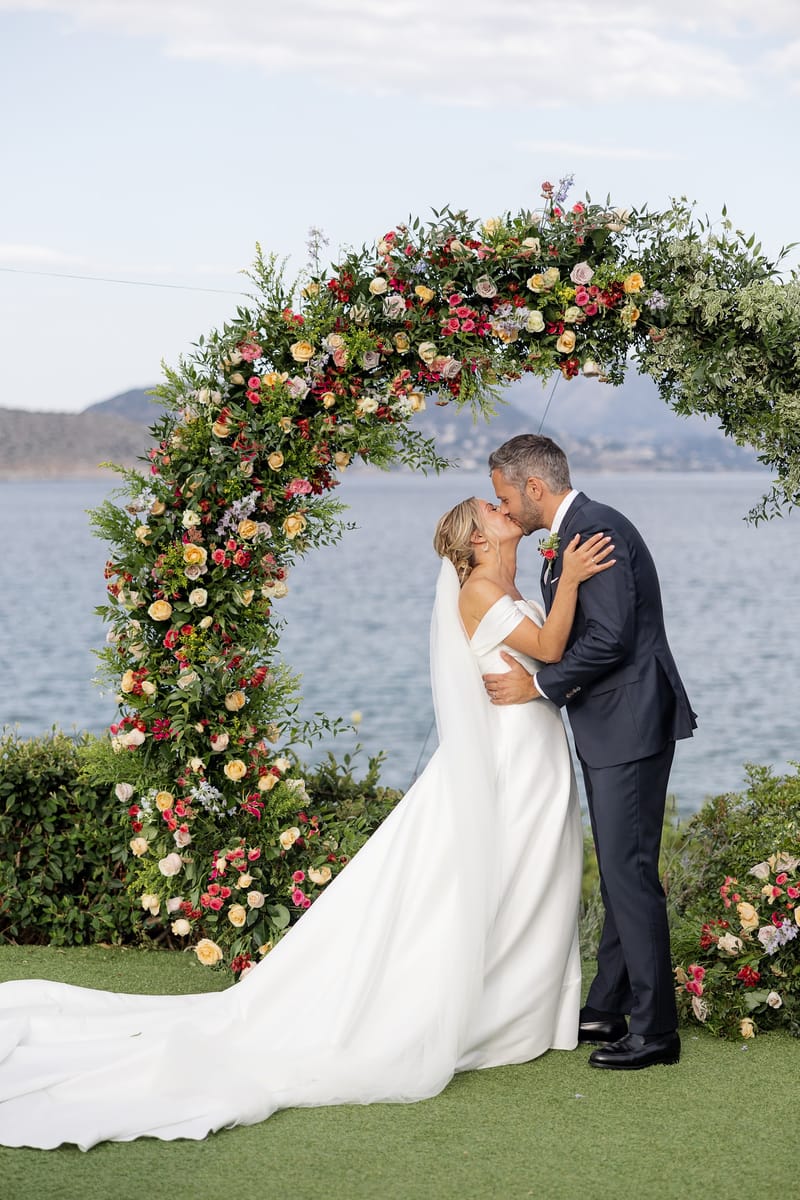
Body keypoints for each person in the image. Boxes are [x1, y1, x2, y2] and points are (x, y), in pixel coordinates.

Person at [0, 498, 612, 1150]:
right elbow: (550, 647)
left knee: (528, 878)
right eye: (491, 507)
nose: (502, 508)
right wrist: (573, 580)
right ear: (478, 538)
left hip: (532, 753)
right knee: (488, 878)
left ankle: (522, 1008)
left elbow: (550, 659)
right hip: (509, 757)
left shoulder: (515, 586)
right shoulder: (479, 591)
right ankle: (494, 1012)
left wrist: (556, 614)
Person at [484, 434, 696, 1071]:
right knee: (619, 869)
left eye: (505, 497)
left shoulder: (594, 529)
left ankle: (655, 1032)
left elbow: (609, 638)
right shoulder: (575, 533)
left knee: (629, 873)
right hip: (613, 723)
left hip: (628, 723)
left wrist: (540, 686)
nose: (505, 509)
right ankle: (608, 1004)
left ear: (534, 487)